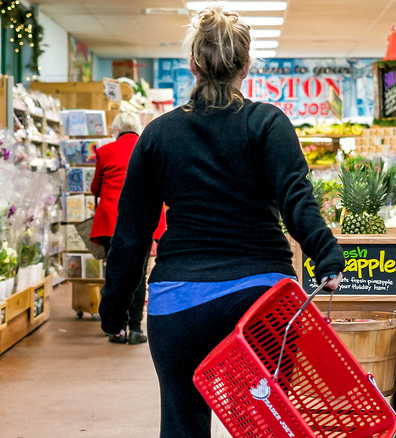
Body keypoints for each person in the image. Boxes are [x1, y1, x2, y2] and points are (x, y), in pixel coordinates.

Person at [97, 6, 344, 437]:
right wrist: (326, 256)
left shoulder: (158, 134)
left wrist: (114, 308)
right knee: (266, 423)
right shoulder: (269, 124)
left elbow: (132, 231)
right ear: (245, 66)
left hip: (179, 302)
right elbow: (297, 200)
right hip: (262, 304)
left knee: (182, 421)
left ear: (192, 64)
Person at [90, 112, 166, 345]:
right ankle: (135, 328)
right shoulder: (148, 147)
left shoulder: (104, 151)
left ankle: (116, 327)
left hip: (111, 221)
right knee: (139, 274)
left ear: (116, 130)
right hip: (141, 220)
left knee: (115, 272)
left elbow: (96, 189)